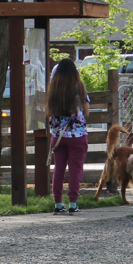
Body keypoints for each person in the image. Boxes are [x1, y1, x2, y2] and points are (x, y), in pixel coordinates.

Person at [46, 59, 90, 215]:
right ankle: (73, 203)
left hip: (58, 136)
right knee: (75, 170)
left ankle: (58, 204)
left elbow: (49, 112)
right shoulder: (79, 87)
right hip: (77, 135)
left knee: (59, 169)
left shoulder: (53, 89)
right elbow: (86, 112)